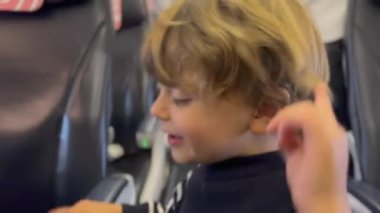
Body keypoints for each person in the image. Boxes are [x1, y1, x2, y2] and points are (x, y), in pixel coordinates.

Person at [51, 0, 349, 212]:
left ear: (264, 110)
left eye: (181, 99)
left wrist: (323, 205)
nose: (157, 110)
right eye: (161, 92)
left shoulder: (284, 197)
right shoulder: (217, 171)